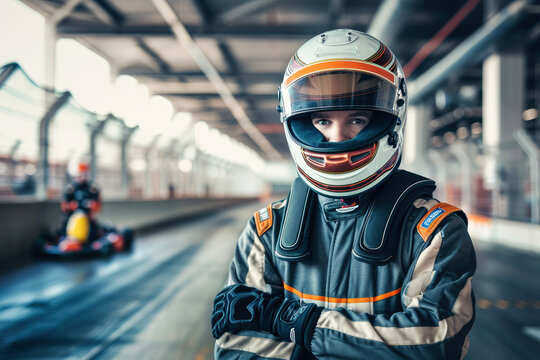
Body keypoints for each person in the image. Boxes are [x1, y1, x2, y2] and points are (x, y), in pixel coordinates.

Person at [211, 29, 476, 359]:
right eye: (322, 120)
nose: (338, 139)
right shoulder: (266, 230)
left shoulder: (434, 229)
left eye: (357, 119)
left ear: (392, 115)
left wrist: (296, 324)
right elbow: (239, 350)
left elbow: (433, 344)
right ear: (296, 119)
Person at [61, 162, 102, 241]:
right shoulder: (71, 189)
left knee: (95, 230)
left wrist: (92, 206)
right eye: (80, 174)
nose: (82, 177)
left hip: (87, 218)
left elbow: (98, 206)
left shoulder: (92, 189)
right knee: (64, 228)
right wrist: (71, 206)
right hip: (73, 216)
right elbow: (64, 207)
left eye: (84, 174)